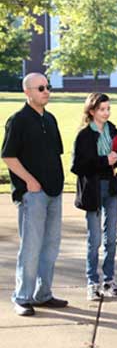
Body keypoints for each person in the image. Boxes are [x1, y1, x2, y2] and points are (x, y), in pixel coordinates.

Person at [2, 73, 68, 316]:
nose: (46, 91)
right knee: (31, 247)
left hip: (54, 192)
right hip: (33, 195)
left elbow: (56, 154)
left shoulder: (50, 119)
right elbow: (8, 156)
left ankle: (43, 294)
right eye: (41, 88)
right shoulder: (17, 120)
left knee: (51, 246)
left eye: (48, 87)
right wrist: (30, 181)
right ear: (27, 92)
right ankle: (22, 297)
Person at [72, 93, 117, 300]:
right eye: (102, 109)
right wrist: (104, 160)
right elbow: (77, 166)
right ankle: (92, 282)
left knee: (110, 238)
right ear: (92, 111)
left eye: (108, 109)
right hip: (93, 191)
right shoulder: (84, 135)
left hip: (111, 188)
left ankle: (109, 280)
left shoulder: (113, 130)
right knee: (94, 240)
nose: (106, 113)